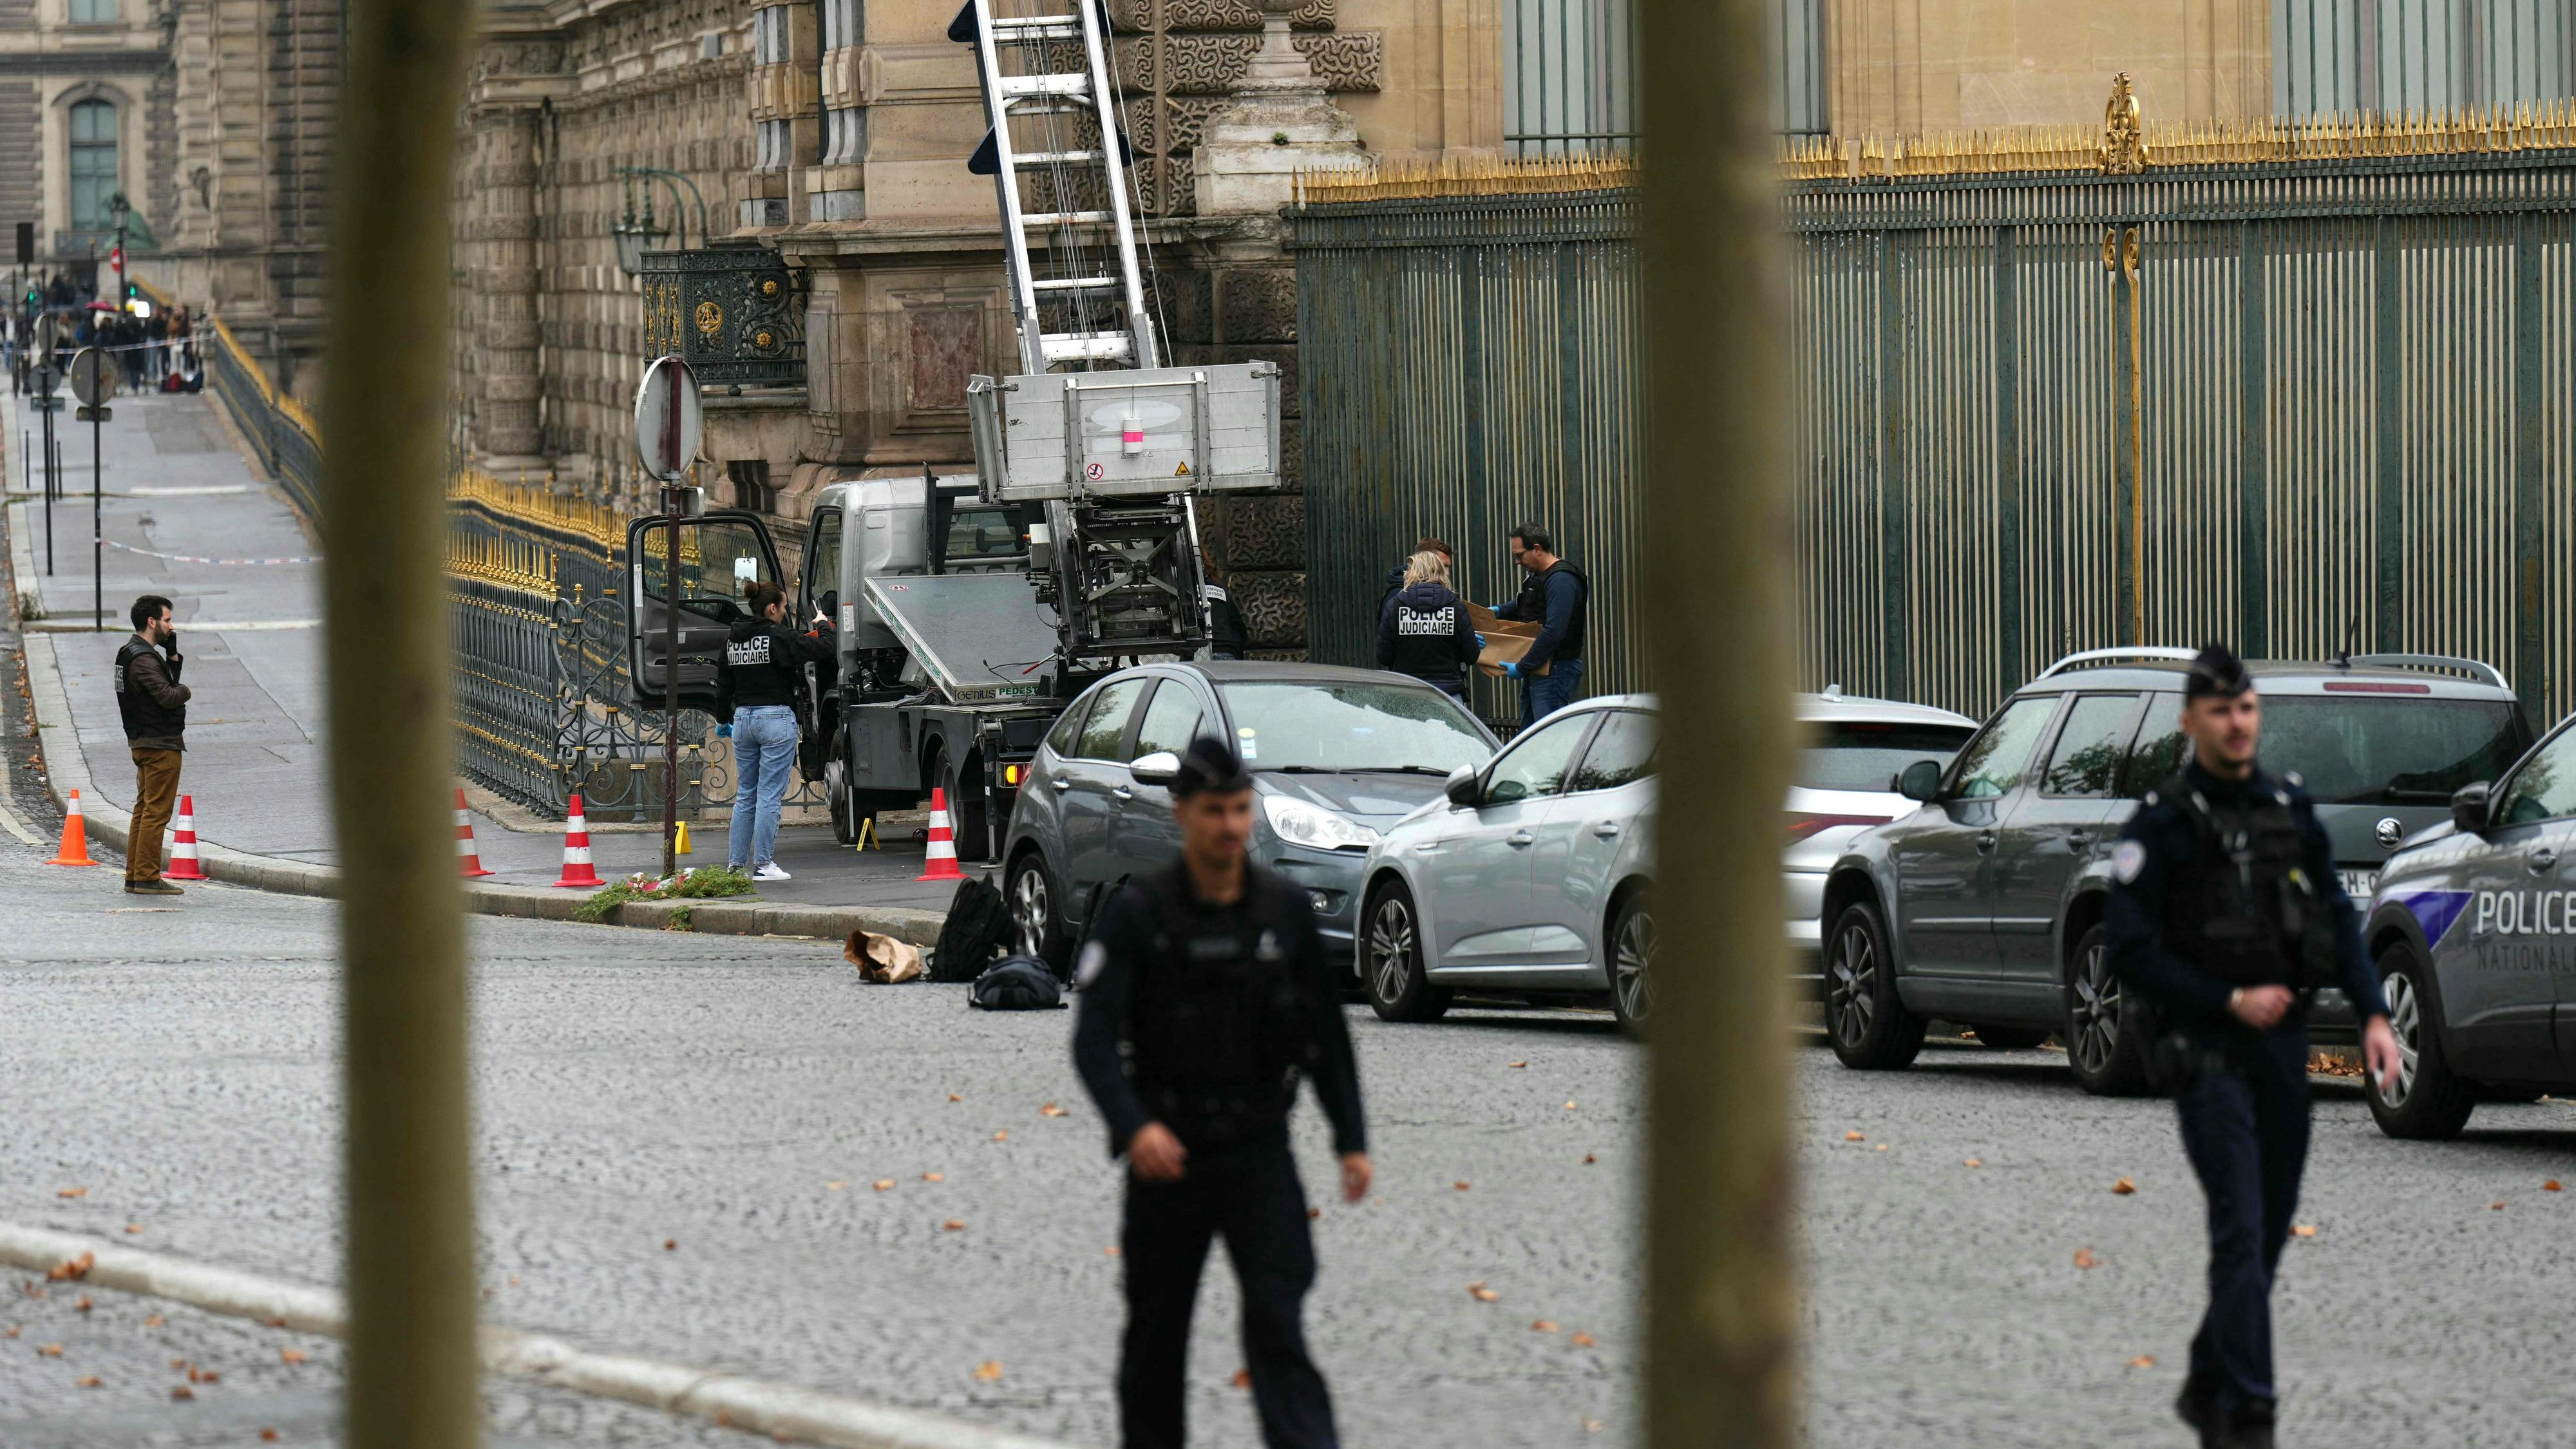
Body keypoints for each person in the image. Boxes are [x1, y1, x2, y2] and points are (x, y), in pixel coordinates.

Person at [2105, 643, 2402, 1449]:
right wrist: (2225, 998)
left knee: (2270, 1227)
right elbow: (2129, 948)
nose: (2236, 724)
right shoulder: (2162, 823)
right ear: (2190, 719)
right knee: (2237, 1225)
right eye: (2219, 711)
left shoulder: (2287, 805)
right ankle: (2249, 1413)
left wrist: (2375, 1013)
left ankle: (2208, 1375)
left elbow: (2338, 920)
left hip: (2283, 1051)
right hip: (2204, 1054)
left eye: (2246, 709)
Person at [1072, 735, 1370, 1449]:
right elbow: (1092, 1040)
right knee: (1156, 1332)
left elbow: (1326, 1036)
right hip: (1169, 1153)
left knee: (1277, 1320)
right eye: (1214, 811)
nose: (1231, 827)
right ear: (1182, 815)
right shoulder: (1140, 914)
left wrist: (1351, 1141)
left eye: (1241, 809)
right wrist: (1134, 1128)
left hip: (1259, 1150)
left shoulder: (1283, 909)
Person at [713, 580, 833, 881]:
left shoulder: (733, 639)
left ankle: (737, 866)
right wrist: (824, 623)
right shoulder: (778, 636)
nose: (784, 613)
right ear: (771, 608)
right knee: (768, 796)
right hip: (775, 718)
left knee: (746, 796)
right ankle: (764, 865)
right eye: (783, 608)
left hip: (743, 720)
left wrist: (722, 719)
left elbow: (723, 685)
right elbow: (824, 648)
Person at [114, 596, 192, 896]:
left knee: (144, 810)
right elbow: (168, 696)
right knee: (156, 813)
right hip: (159, 744)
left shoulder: (131, 652)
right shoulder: (144, 659)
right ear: (152, 621)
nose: (171, 626)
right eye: (168, 620)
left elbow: (164, 684)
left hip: (145, 741)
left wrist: (172, 657)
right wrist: (186, 691)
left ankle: (135, 876)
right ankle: (147, 877)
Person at [1487, 524, 1589, 723]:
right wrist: (1496, 612)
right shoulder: (1539, 576)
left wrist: (1523, 666)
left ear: (1537, 549)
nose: (1518, 562)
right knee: (1532, 736)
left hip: (1555, 669)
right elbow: (1524, 605)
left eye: (1519, 556)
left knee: (1547, 737)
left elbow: (1554, 631)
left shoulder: (1562, 580)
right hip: (1540, 667)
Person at [1376, 547, 1478, 697]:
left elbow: (1384, 657)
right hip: (1448, 694)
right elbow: (1471, 655)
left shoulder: (1394, 606)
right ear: (1440, 572)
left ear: (1411, 572)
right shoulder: (1456, 607)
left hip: (1407, 690)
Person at [1377, 536, 1454, 627]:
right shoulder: (1396, 595)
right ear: (1425, 561)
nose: (1447, 573)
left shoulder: (1443, 595)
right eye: (1443, 566)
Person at [1202, 560, 1248, 661]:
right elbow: (1240, 628)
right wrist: (1233, 651)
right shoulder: (1220, 590)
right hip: (1227, 652)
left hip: (1199, 655)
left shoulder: (1182, 594)